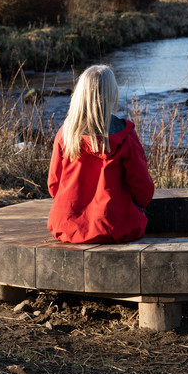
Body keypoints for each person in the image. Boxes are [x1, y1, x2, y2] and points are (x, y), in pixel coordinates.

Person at [46, 65, 155, 243]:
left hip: (66, 226)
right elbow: (144, 193)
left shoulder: (65, 134)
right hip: (114, 228)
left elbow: (53, 186)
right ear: (111, 95)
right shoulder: (125, 136)